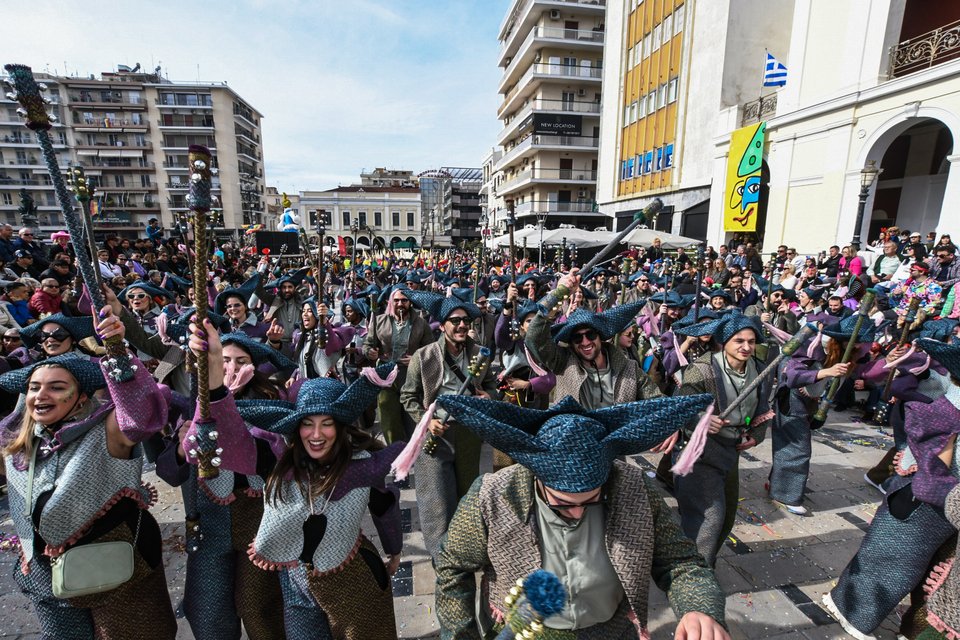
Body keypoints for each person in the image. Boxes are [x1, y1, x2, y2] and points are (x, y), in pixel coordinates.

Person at [432, 392, 729, 639]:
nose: (576, 513)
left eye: (592, 500)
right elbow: (452, 568)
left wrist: (698, 608)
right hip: (525, 633)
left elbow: (681, 563)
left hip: (611, 631)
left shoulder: (635, 488)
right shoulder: (492, 495)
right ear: (537, 476)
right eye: (561, 503)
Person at [0, 314, 177, 638]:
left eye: (57, 388)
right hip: (44, 576)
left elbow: (141, 414)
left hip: (118, 569)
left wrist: (117, 349)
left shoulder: (106, 428)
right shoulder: (16, 440)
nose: (41, 395)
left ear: (82, 396)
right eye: (34, 388)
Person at [824, 337, 960, 640]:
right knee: (891, 562)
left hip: (942, 504)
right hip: (925, 500)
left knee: (922, 570)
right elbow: (933, 466)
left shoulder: (947, 399)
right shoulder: (947, 409)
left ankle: (914, 626)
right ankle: (850, 611)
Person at [399, 291, 498, 562]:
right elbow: (407, 395)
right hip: (435, 434)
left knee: (468, 494)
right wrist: (426, 420)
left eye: (466, 320)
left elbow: (490, 385)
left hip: (468, 432)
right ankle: (441, 558)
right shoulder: (424, 356)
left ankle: (466, 548)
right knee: (437, 500)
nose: (462, 326)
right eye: (455, 321)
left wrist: (489, 396)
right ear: (442, 325)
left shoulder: (480, 354)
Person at [672, 313, 774, 566]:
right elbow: (681, 406)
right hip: (700, 452)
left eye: (751, 341)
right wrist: (702, 420)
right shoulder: (702, 370)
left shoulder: (760, 369)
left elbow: (763, 408)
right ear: (724, 342)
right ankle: (694, 575)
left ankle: (702, 562)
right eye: (739, 340)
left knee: (726, 517)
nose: (746, 347)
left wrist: (756, 434)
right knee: (709, 517)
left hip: (731, 451)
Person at [768, 315, 875, 514]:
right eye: (859, 342)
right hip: (792, 400)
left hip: (812, 403)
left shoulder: (852, 353)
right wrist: (825, 373)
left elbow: (873, 371)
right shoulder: (813, 347)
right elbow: (792, 376)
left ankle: (777, 485)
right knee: (798, 449)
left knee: (792, 446)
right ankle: (785, 495)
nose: (862, 347)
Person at [525, 270, 662, 408]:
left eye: (590, 335)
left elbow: (657, 401)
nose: (585, 342)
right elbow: (534, 337)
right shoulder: (563, 362)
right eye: (577, 338)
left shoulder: (629, 369)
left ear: (599, 336)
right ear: (571, 343)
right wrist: (560, 293)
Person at [363, 286, 434, 444]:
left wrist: (416, 358)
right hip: (386, 376)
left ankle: (413, 454)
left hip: (411, 376)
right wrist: (370, 352)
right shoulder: (379, 320)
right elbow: (367, 345)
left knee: (412, 420)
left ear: (410, 302)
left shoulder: (421, 323)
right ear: (390, 302)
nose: (400, 303)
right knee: (389, 420)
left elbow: (431, 350)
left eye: (404, 300)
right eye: (396, 300)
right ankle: (394, 456)